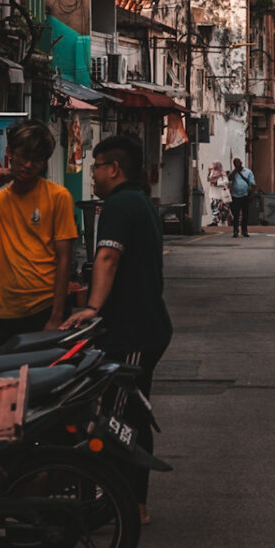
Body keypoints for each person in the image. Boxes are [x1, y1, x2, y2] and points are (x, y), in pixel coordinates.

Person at [70, 134, 173, 523]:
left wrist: (93, 307)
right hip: (147, 327)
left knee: (117, 419)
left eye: (95, 166)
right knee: (131, 414)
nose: (92, 174)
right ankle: (135, 504)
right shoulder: (141, 201)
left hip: (132, 328)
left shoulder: (117, 205)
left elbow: (108, 256)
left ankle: (124, 504)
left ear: (113, 169)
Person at [0, 121, 78, 349]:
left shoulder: (58, 196)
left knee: (43, 380)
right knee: (6, 380)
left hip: (44, 306)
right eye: (22, 157)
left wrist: (56, 316)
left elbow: (65, 258)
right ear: (9, 153)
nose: (27, 165)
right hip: (4, 311)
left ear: (44, 162)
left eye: (36, 160)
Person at [229, 156, 257, 238]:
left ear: (241, 163)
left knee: (245, 214)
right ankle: (235, 230)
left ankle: (244, 230)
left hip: (245, 195)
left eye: (238, 163)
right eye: (235, 164)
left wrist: (252, 194)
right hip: (235, 196)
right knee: (236, 214)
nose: (237, 165)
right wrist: (235, 170)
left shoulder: (248, 172)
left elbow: (253, 184)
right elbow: (229, 179)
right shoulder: (233, 172)